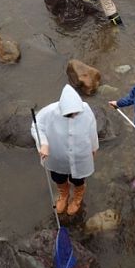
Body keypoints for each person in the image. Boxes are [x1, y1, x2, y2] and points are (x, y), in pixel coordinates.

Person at [31, 84, 99, 216]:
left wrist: (94, 147)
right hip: (57, 155)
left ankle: (77, 196)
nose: (73, 115)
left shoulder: (86, 109)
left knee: (78, 178)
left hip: (80, 155)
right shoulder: (49, 111)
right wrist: (43, 143)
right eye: (69, 114)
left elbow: (92, 128)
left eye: (76, 113)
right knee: (58, 177)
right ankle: (64, 194)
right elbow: (36, 126)